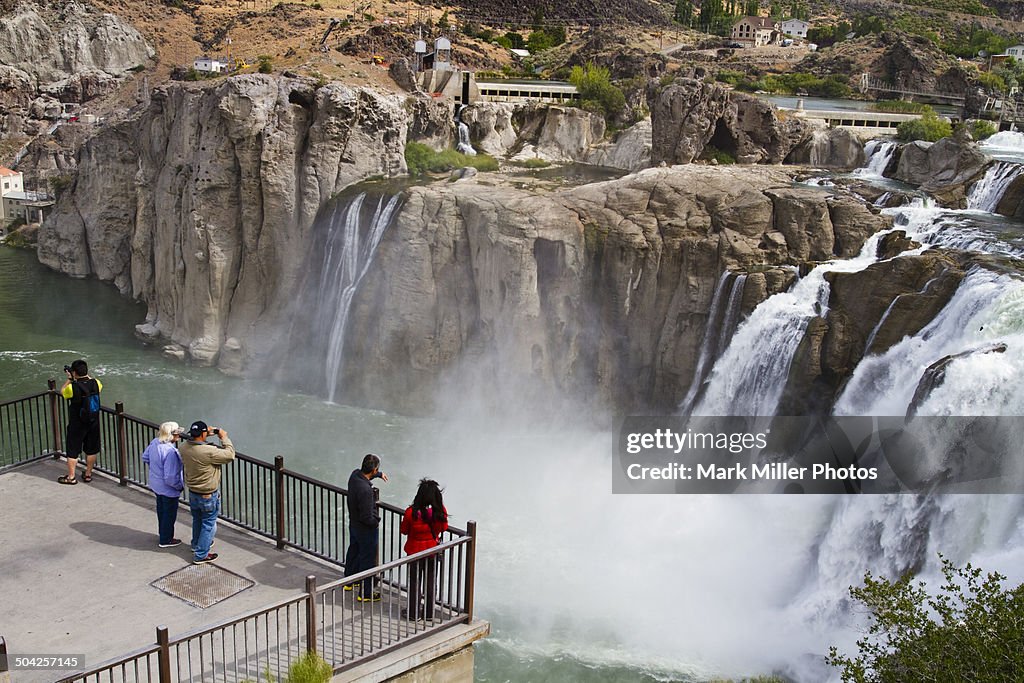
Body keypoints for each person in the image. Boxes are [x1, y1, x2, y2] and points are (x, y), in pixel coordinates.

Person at [179, 421, 235, 564]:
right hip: (208, 494)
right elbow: (229, 455)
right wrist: (223, 438)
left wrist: (206, 434)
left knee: (198, 519)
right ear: (203, 434)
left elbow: (197, 443)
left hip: (193, 491)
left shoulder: (183, 447)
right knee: (209, 524)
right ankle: (201, 554)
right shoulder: (208, 452)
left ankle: (196, 544)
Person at [399, 478, 448, 621]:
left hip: (414, 553)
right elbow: (443, 528)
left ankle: (413, 614)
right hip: (431, 552)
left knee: (414, 582)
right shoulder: (440, 512)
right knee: (431, 583)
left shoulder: (411, 513)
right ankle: (429, 614)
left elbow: (404, 530)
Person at [344, 453, 388, 601]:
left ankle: (349, 581)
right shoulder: (366, 490)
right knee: (367, 560)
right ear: (374, 469)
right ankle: (366, 593)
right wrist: (376, 520)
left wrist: (378, 475)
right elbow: (367, 517)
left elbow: (366, 474)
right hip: (365, 529)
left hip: (354, 524)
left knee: (354, 550)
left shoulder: (354, 476)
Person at [57, 359, 102, 485]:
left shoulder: (72, 387)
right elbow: (90, 382)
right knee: (91, 449)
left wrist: (70, 379)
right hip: (93, 421)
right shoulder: (97, 383)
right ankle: (88, 474)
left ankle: (71, 477)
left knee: (73, 450)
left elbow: (63, 392)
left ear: (74, 372)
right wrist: (82, 375)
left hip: (77, 423)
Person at [142, 422, 185, 548]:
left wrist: (156, 471)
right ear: (172, 435)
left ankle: (163, 534)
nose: (179, 436)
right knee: (169, 514)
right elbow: (170, 477)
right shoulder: (171, 452)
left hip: (156, 485)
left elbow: (145, 457)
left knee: (161, 510)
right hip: (168, 489)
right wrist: (179, 486)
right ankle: (166, 539)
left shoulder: (155, 442)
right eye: (177, 433)